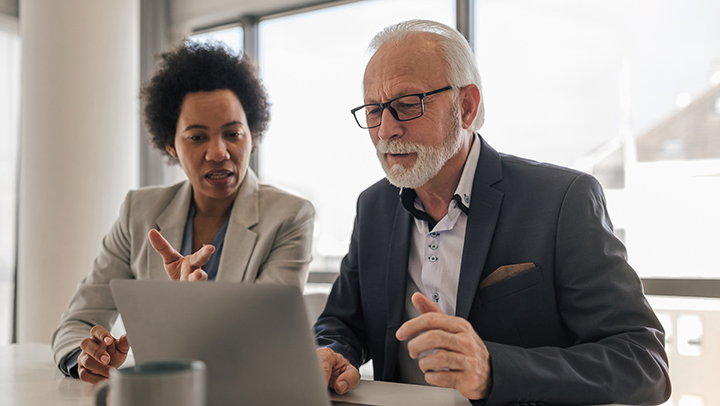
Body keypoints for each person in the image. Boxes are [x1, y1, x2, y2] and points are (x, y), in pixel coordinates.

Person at [314, 20, 670, 406]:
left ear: (466, 107)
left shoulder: (561, 200)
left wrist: (493, 370)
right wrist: (333, 353)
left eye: (406, 105)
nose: (385, 130)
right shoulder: (374, 207)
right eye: (373, 110)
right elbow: (343, 322)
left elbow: (643, 363)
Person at [51, 41, 315, 383]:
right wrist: (86, 357)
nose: (219, 152)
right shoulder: (138, 213)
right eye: (197, 137)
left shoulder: (291, 216)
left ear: (253, 136)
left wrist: (192, 306)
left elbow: (263, 340)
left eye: (233, 133)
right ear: (171, 146)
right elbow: (77, 321)